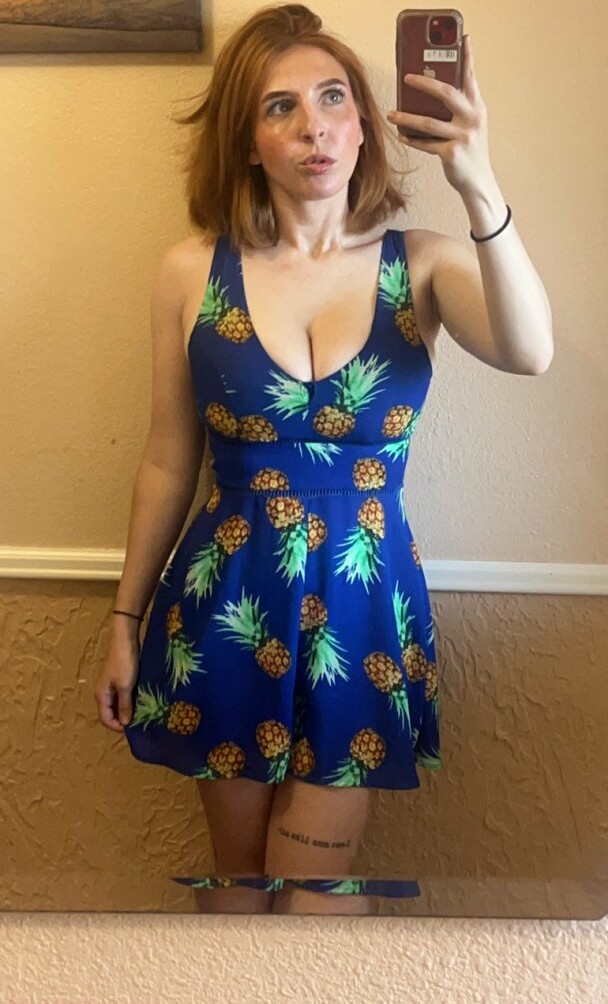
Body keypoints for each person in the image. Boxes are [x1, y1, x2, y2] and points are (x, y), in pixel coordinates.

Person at [94, 4, 553, 915]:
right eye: (282, 107)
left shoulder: (422, 264)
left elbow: (529, 350)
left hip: (362, 608)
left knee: (317, 897)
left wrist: (477, 181)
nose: (316, 126)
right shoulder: (191, 271)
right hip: (227, 603)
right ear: (246, 141)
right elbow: (168, 461)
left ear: (365, 123)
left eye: (335, 97)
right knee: (237, 889)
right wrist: (123, 617)